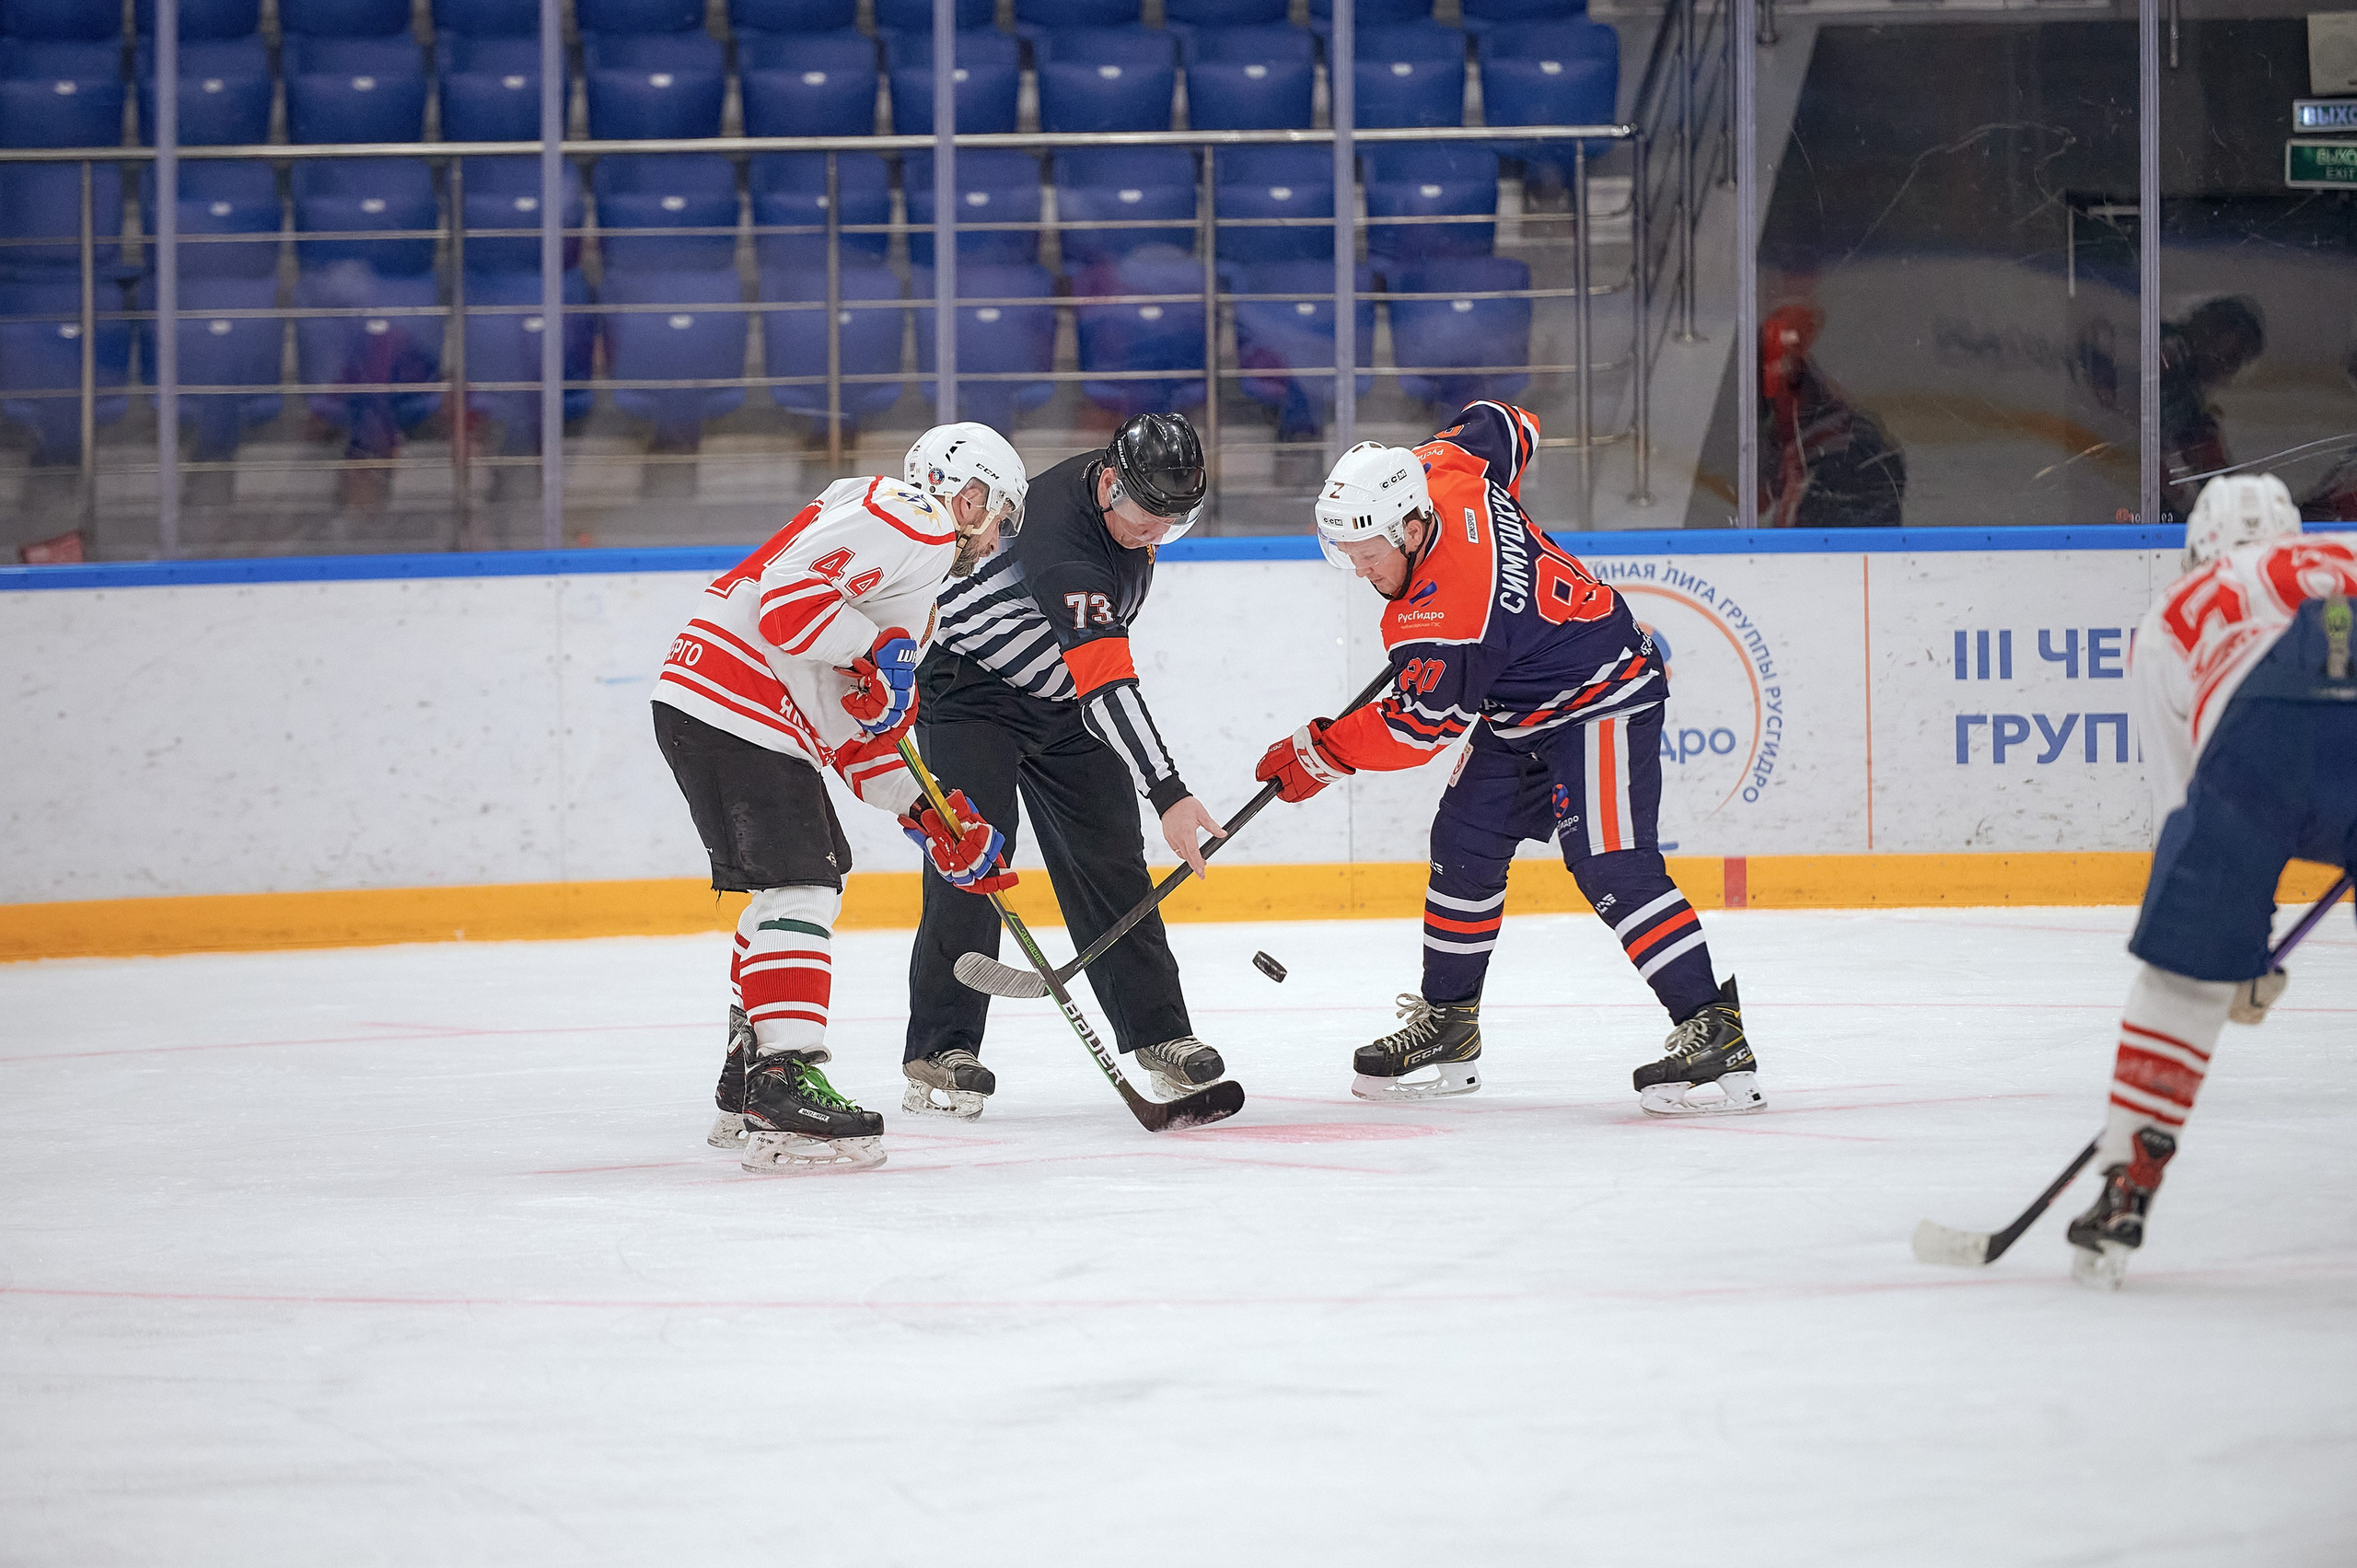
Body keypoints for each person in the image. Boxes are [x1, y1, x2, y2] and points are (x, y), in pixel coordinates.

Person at [1254, 402, 1760, 1114]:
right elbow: (1510, 421)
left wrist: (1320, 752)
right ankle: (1450, 1023)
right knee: (1464, 839)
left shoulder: (1446, 613)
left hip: (1601, 695)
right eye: (1346, 553)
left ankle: (1715, 1029)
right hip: (1521, 702)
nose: (1360, 569)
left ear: (1409, 526)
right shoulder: (1443, 467)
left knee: (1612, 862)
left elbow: (1413, 730)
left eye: (1368, 552)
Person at [652, 423, 1028, 1175]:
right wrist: (875, 653)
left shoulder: (899, 578)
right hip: (737, 704)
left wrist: (931, 814)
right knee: (802, 884)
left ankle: (749, 1067)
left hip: (725, 704)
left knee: (791, 885)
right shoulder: (913, 517)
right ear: (968, 491)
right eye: (1000, 515)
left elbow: (849, 735)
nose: (995, 542)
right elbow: (786, 605)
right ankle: (782, 1082)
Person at [902, 412, 1230, 1118]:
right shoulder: (1065, 548)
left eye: (1171, 522)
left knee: (1110, 855)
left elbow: (1092, 675)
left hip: (1058, 699)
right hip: (970, 689)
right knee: (972, 853)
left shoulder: (1127, 483)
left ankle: (1159, 1034)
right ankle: (940, 1048)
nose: (1154, 534)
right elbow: (1111, 684)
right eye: (1146, 518)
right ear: (1110, 485)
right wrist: (1168, 789)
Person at [2073, 527, 2357, 1287]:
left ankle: (2125, 1189)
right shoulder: (2344, 560)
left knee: (2180, 980)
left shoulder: (2177, 605)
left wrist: (2231, 952)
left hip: (2258, 730)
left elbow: (2186, 801)